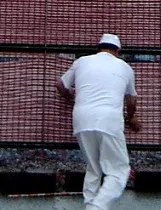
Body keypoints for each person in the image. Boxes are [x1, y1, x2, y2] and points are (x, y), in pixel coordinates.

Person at [56, 34, 139, 210]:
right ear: (118, 51)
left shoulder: (82, 62)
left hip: (81, 119)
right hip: (109, 121)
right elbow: (131, 100)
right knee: (119, 171)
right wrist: (131, 118)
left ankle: (89, 205)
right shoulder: (124, 67)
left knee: (94, 167)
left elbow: (61, 84)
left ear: (99, 48)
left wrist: (69, 96)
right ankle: (97, 207)